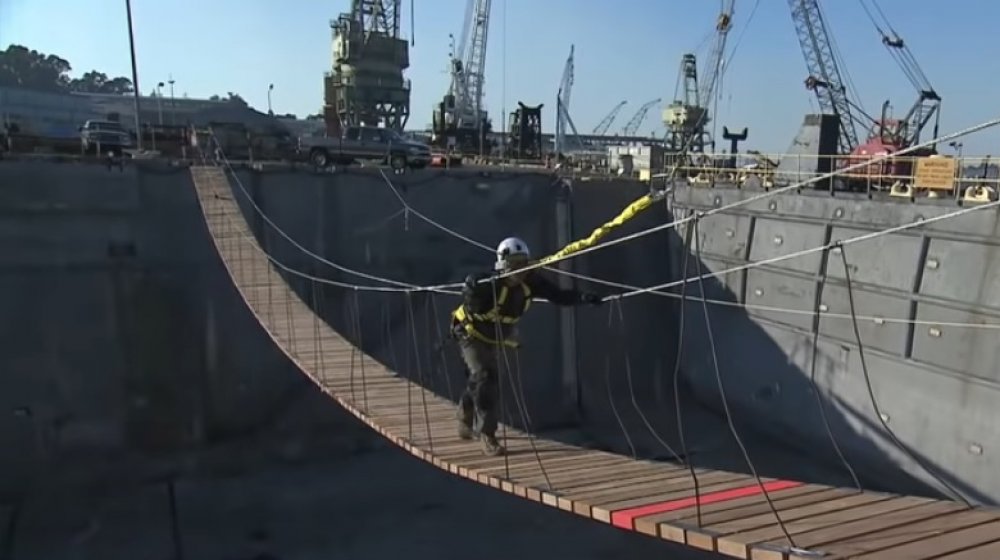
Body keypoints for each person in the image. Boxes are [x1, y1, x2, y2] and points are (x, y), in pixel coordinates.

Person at [449, 236, 603, 456]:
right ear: (503, 264)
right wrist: (471, 286)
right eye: (514, 263)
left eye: (523, 263)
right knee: (485, 376)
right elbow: (471, 298)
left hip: (496, 335)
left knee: (480, 378)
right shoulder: (487, 284)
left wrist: (583, 297)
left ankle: (465, 413)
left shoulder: (532, 282)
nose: (520, 269)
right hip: (470, 333)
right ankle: (487, 435)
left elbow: (557, 296)